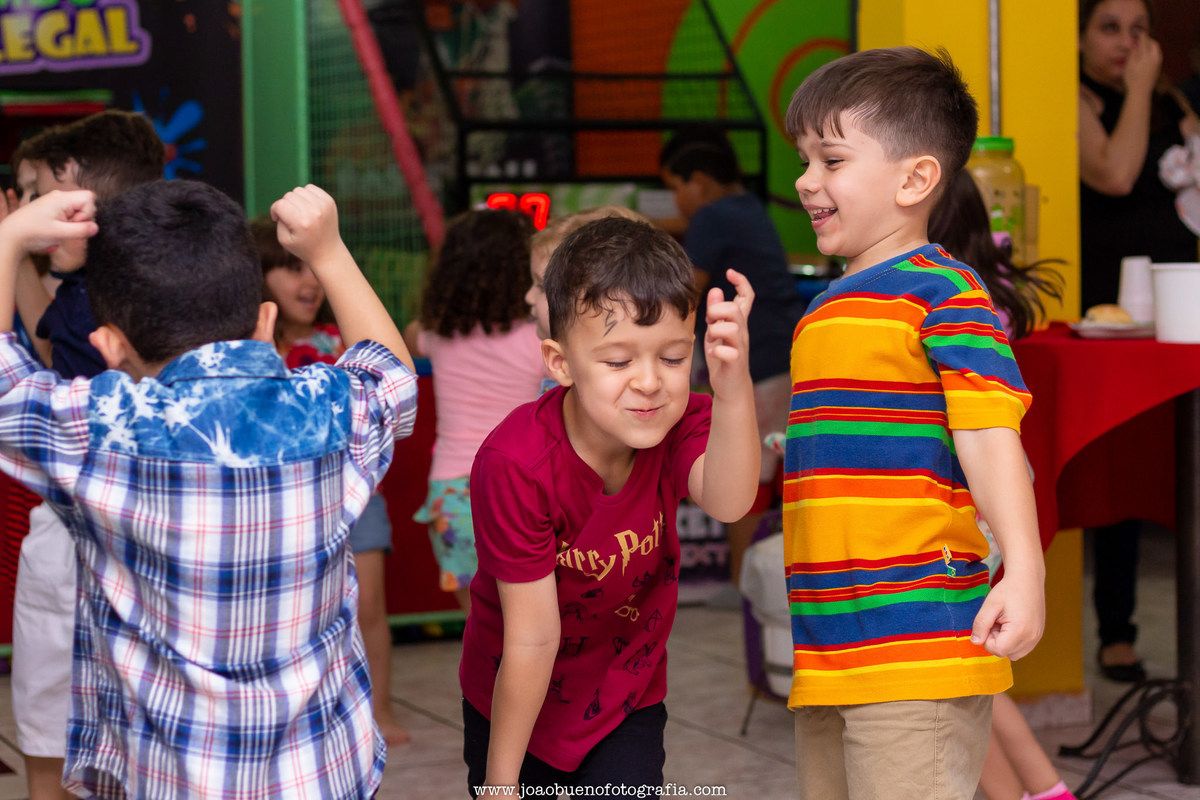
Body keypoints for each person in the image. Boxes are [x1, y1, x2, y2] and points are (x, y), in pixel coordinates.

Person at [0, 180, 417, 798]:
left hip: (168, 780)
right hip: (322, 776)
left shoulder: (100, 430)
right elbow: (393, 374)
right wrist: (328, 252)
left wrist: (9, 239)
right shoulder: (329, 409)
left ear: (108, 345)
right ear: (265, 319)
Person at [784, 46, 1045, 800]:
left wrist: (1025, 572)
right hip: (830, 649)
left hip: (920, 642)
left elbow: (990, 436)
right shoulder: (823, 309)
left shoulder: (946, 294)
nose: (806, 180)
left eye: (832, 160)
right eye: (805, 161)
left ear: (915, 179)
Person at [459, 216, 760, 797]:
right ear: (560, 363)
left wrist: (733, 388)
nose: (649, 382)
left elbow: (729, 501)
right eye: (619, 362)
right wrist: (500, 783)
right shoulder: (516, 463)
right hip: (512, 696)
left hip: (625, 694)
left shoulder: (680, 421)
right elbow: (532, 638)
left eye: (673, 358)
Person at [2, 111, 165, 800]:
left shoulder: (117, 296)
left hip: (87, 532)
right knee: (62, 727)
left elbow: (19, 380)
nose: (29, 210)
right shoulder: (79, 289)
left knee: (73, 733)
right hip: (91, 533)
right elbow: (45, 348)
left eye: (37, 194)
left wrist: (8, 243)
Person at [931, 170, 1074, 800]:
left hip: (966, 500)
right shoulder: (990, 298)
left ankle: (1039, 792)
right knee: (969, 663)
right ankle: (1043, 791)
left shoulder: (948, 303)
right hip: (987, 496)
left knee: (955, 668)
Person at [252, 217, 410, 747]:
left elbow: (387, 384)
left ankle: (380, 708)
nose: (310, 281)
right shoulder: (254, 349)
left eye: (313, 269)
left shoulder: (341, 337)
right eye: (291, 269)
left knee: (369, 607)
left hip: (357, 495)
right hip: (288, 504)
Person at [1078, 0, 1198, 683]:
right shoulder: (1077, 97)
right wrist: (1144, 87)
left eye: (1138, 29)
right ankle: (1115, 630)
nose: (1127, 42)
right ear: (1079, 37)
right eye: (1110, 28)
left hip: (1181, 309)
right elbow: (1115, 174)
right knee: (1119, 473)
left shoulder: (1172, 102)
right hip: (1114, 314)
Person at [659, 125, 805, 598]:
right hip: (783, 355)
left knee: (747, 479)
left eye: (675, 188)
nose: (676, 201)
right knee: (771, 474)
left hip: (758, 363)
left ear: (699, 182)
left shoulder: (712, 216)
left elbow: (685, 293)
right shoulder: (746, 208)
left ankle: (744, 589)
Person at [403, 208, 546, 613]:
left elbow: (408, 336)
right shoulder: (540, 340)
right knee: (529, 620)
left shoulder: (434, 334)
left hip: (449, 492)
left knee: (479, 623)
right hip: (517, 485)